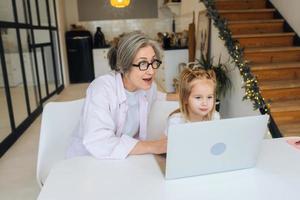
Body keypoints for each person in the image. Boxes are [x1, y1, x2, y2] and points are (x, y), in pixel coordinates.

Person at [66, 31, 176, 160]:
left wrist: (189, 95)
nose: (151, 71)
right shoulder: (102, 89)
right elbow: (98, 141)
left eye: (153, 62)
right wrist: (154, 146)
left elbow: (159, 96)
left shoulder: (147, 87)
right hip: (88, 159)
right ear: (124, 66)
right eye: (143, 64)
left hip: (122, 161)